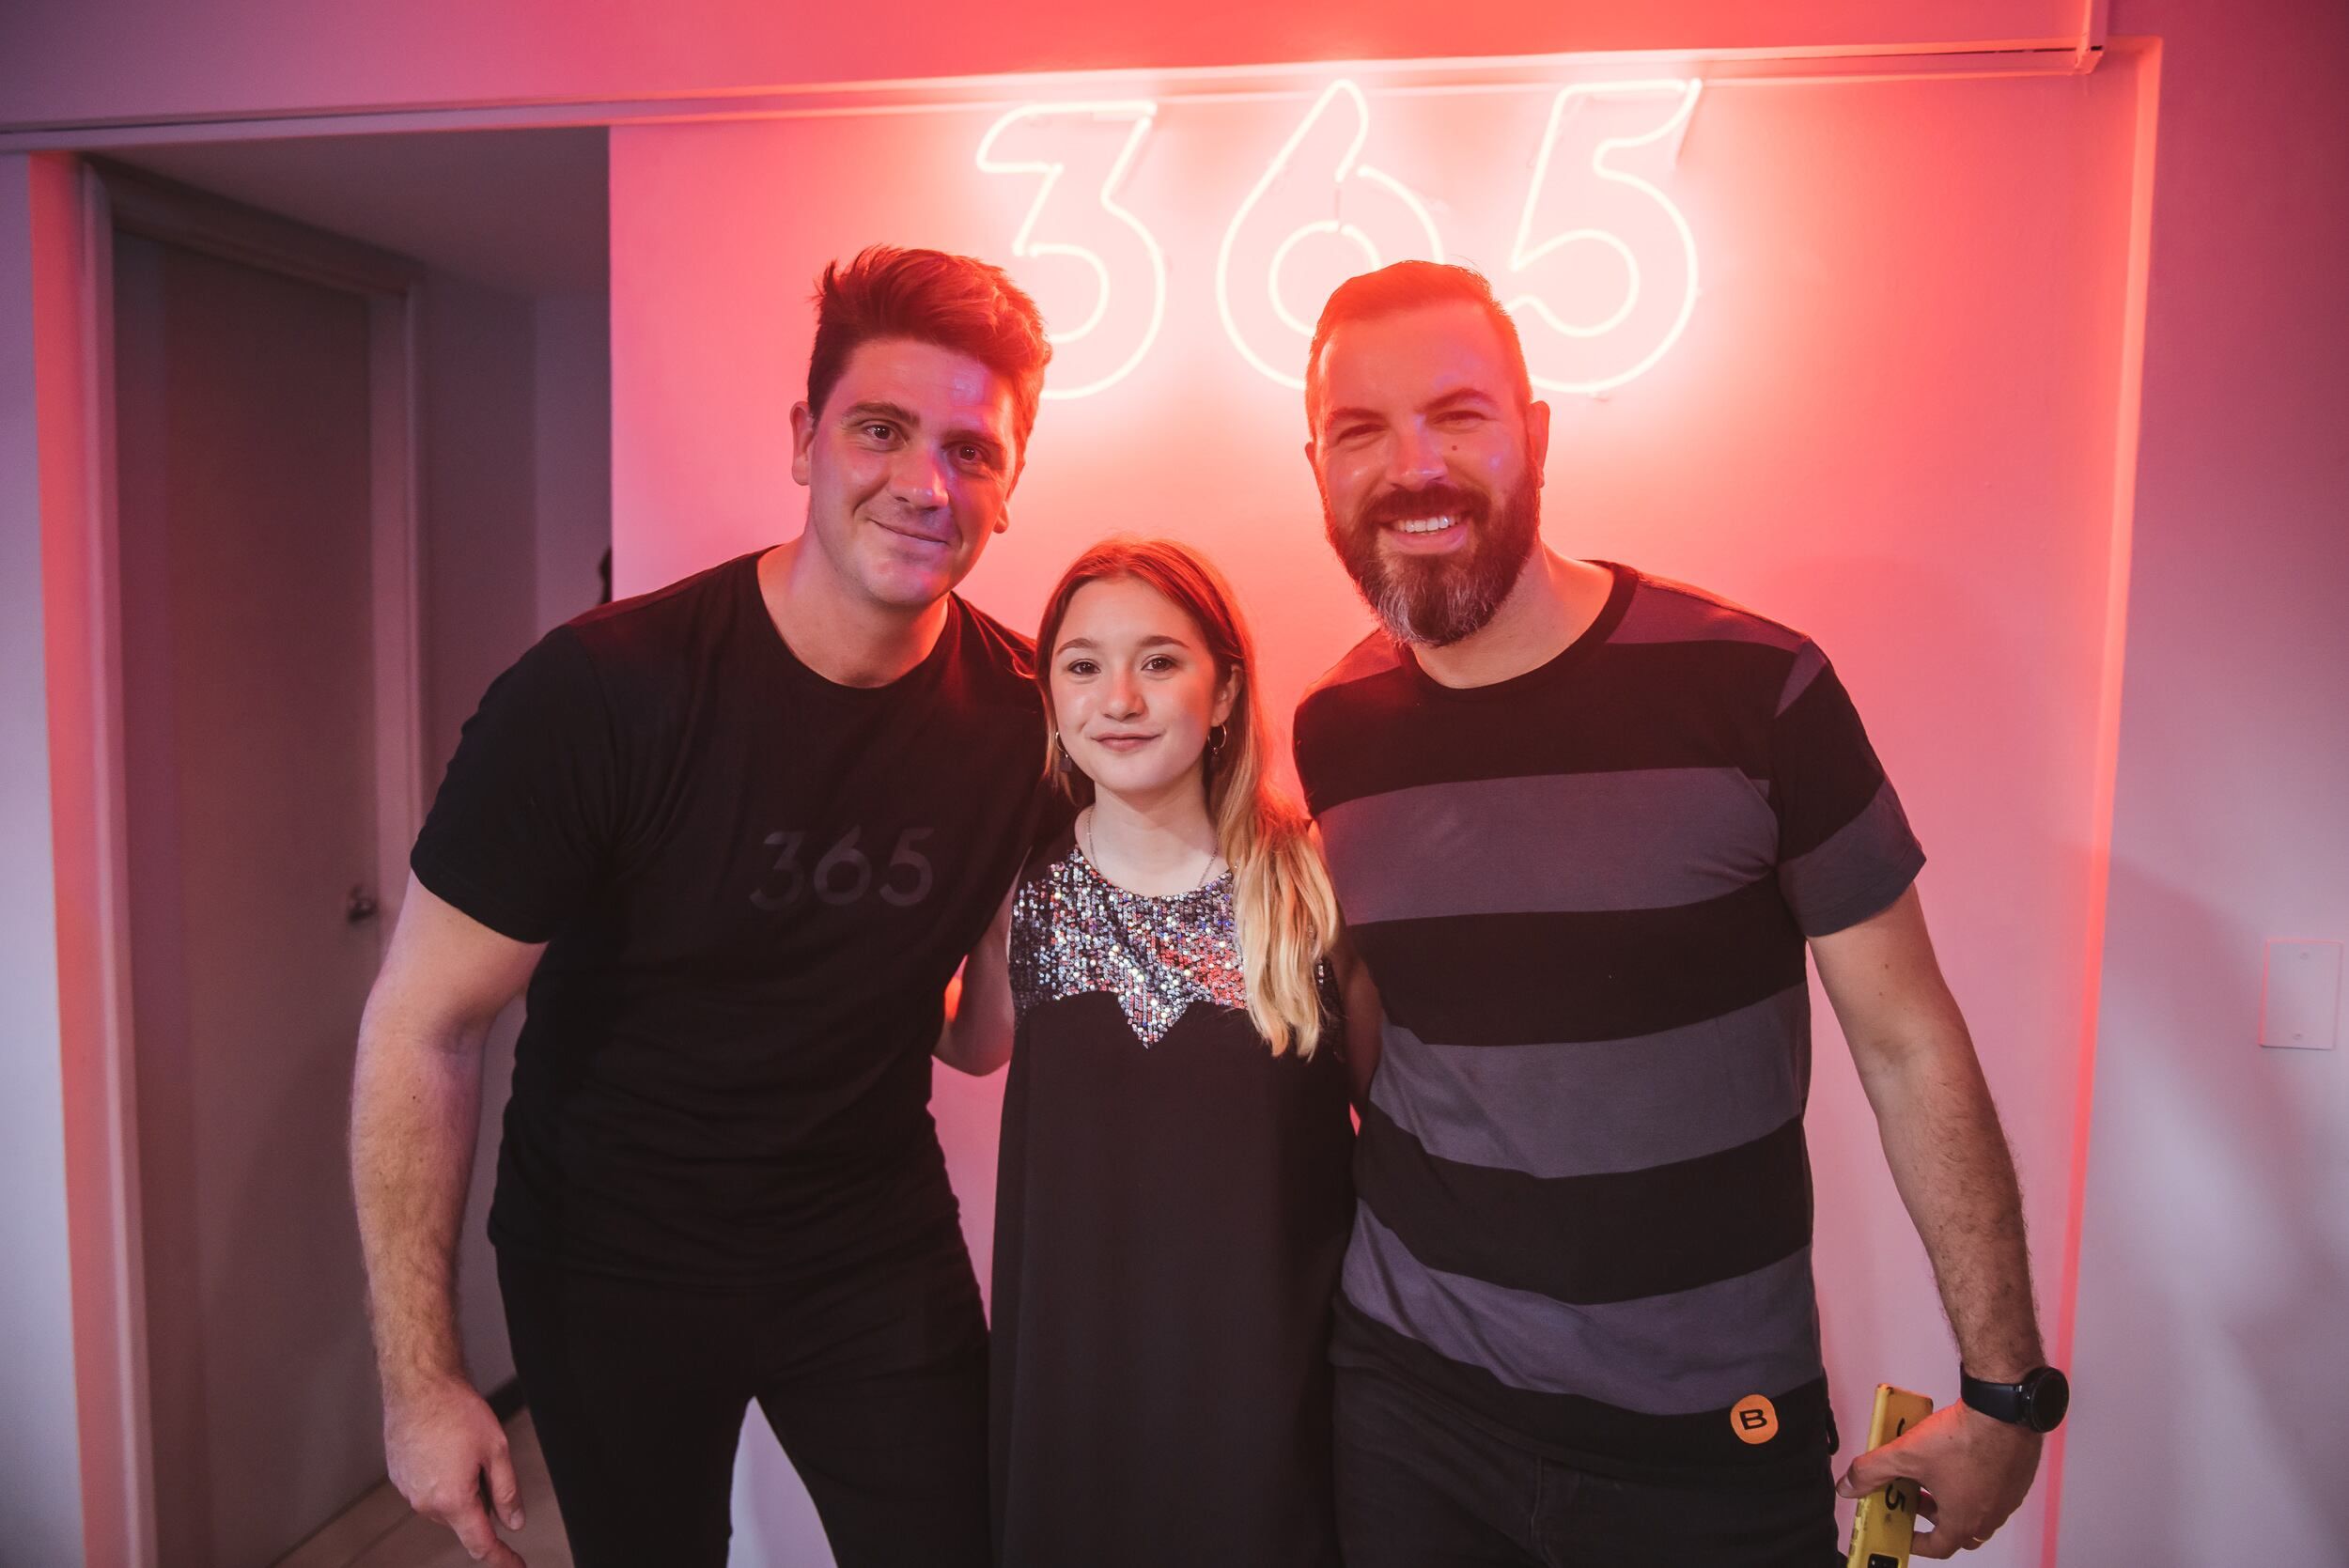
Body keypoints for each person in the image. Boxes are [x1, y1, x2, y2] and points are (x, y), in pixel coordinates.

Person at [1290, 261, 2067, 1564]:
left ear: (1536, 433)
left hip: (1712, 1437)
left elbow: (1908, 1043)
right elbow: (1371, 1054)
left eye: (1458, 414)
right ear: (1315, 465)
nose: (1412, 465)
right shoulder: (1333, 733)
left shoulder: (1757, 689)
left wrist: (2005, 1390)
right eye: (1361, 431)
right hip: (1409, 1412)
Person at [349, 245, 1055, 1568]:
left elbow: (976, 1031)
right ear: (806, 440)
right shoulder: (600, 697)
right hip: (609, 1255)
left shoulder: (1026, 721)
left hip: (866, 1246)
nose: (926, 482)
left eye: (973, 449)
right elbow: (422, 1026)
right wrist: (419, 1381)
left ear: (1012, 486)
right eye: (882, 430)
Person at [948, 538, 1358, 1568]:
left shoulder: (1308, 886)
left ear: (1223, 692)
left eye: (1160, 661)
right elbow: (974, 1044)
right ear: (1048, 695)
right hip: (1075, 1379)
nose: (1118, 697)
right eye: (1081, 665)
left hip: (1264, 1384)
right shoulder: (1020, 887)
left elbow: (1397, 1111)